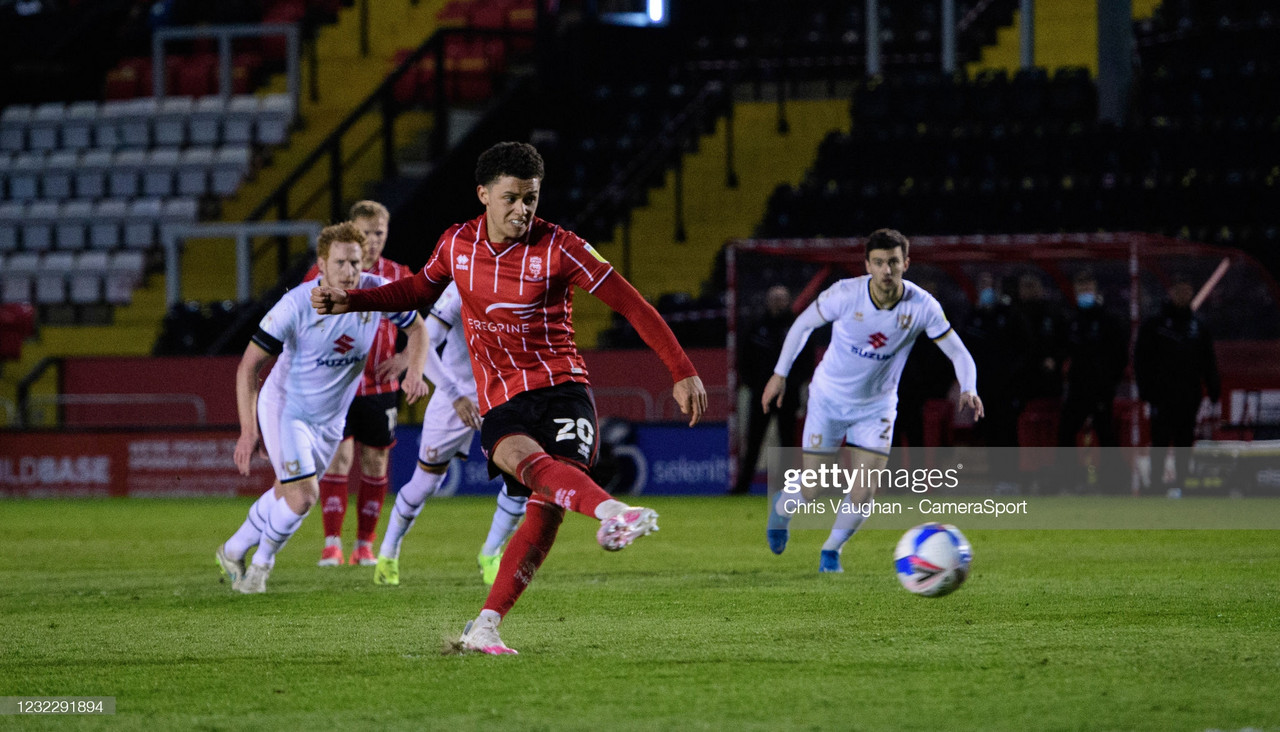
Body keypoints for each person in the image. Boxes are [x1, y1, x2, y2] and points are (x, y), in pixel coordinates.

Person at [310, 141, 707, 655]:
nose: (523, 209)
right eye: (512, 198)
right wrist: (352, 300)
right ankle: (611, 512)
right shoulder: (456, 244)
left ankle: (487, 625)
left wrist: (681, 370)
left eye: (532, 198)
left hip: (563, 387)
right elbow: (416, 292)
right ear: (484, 195)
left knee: (547, 505)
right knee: (524, 465)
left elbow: (631, 304)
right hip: (500, 398)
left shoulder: (561, 247)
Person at [215, 222, 428, 594]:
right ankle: (259, 570)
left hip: (331, 419)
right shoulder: (296, 304)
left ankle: (232, 550)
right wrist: (249, 430)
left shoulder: (376, 293)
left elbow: (419, 329)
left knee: (287, 494)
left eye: (357, 263)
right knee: (303, 496)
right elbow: (249, 366)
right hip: (287, 409)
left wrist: (414, 369)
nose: (350, 272)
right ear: (322, 264)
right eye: (342, 263)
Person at [761, 228, 983, 573]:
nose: (886, 270)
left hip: (876, 408)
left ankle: (831, 551)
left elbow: (958, 351)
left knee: (865, 490)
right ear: (867, 265)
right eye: (878, 262)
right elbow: (802, 324)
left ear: (905, 263)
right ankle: (782, 508)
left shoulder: (922, 306)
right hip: (828, 400)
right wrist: (780, 374)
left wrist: (969, 386)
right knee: (812, 486)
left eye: (893, 262)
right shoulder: (845, 294)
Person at [374, 281, 529, 587]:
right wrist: (454, 394)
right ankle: (388, 553)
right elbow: (426, 341)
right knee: (425, 483)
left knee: (523, 476)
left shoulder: (526, 280)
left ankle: (491, 553)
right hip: (456, 396)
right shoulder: (462, 285)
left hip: (504, 395)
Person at [302, 201, 416, 568]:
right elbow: (299, 319)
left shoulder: (398, 274)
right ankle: (332, 543)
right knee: (339, 458)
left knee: (376, 460)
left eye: (379, 233)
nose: (371, 241)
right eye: (365, 233)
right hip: (337, 386)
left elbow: (423, 325)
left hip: (380, 387)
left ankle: (364, 545)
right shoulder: (321, 275)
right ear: (352, 231)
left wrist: (406, 359)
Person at [1134, 277, 1220, 496]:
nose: (1182, 295)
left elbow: (1208, 360)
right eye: (1178, 290)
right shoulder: (1155, 324)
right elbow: (1141, 359)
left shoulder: (1198, 326)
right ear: (1170, 292)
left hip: (1189, 394)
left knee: (1184, 440)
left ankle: (1182, 484)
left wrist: (1213, 390)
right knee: (1160, 440)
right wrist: (1147, 390)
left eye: (1187, 290)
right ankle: (1155, 485)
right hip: (1161, 395)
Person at [734, 284, 809, 494]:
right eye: (774, 297)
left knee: (787, 443)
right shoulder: (757, 326)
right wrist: (754, 383)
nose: (778, 302)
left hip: (788, 395)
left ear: (788, 300)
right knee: (754, 440)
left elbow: (807, 362)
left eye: (782, 298)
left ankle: (785, 488)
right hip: (760, 394)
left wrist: (791, 384)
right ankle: (742, 487)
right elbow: (744, 358)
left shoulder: (797, 327)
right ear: (768, 300)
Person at [1056, 270, 1128, 490]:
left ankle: (1111, 481)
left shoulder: (1108, 320)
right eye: (1080, 289)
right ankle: (1070, 480)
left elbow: (1120, 355)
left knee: (1105, 433)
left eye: (1087, 288)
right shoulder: (1073, 320)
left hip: (1101, 389)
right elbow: (1064, 350)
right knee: (1066, 431)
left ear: (1095, 290)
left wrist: (1109, 383)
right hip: (1078, 387)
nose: (1083, 293)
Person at [962, 272, 1031, 491]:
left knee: (1007, 431)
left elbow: (1026, 349)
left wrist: (1016, 378)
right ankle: (997, 479)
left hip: (1008, 386)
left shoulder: (1011, 315)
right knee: (990, 432)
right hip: (983, 388)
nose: (987, 288)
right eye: (983, 284)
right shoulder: (973, 317)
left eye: (990, 284)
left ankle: (1012, 478)